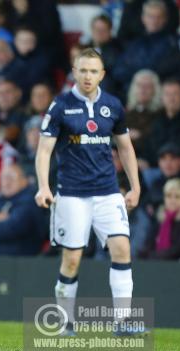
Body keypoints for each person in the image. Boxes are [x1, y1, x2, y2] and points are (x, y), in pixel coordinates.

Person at [35, 48, 145, 336]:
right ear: (74, 71)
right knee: (72, 259)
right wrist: (44, 186)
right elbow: (44, 150)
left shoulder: (113, 105)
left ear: (102, 74)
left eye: (93, 71)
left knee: (122, 249)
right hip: (72, 194)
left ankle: (123, 323)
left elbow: (125, 147)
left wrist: (135, 186)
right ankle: (64, 321)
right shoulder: (60, 106)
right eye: (83, 70)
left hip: (108, 192)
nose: (87, 76)